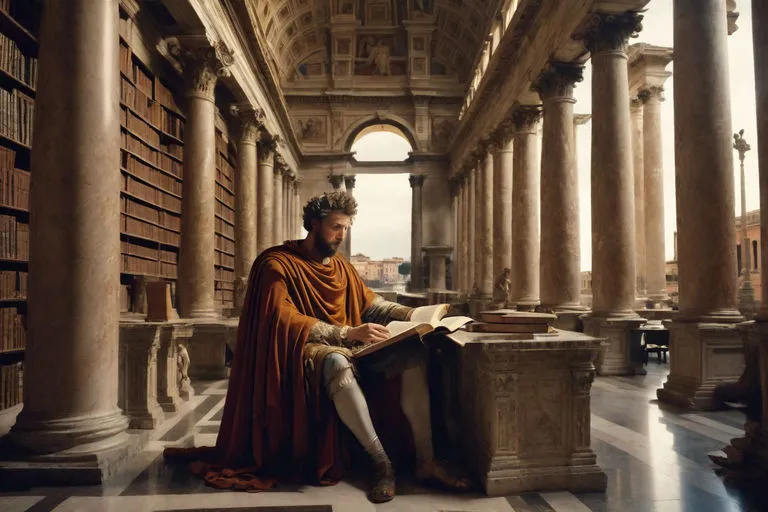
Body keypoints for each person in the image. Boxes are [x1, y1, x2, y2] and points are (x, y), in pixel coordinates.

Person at [164, 190, 469, 503]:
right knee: (336, 361)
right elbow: (281, 318)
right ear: (313, 223)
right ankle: (381, 462)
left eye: (346, 229)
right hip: (297, 351)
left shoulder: (341, 268)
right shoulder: (276, 264)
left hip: (352, 344)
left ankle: (425, 461)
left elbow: (373, 304)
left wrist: (419, 316)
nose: (341, 235)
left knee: (413, 353)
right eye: (336, 227)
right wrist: (345, 332)